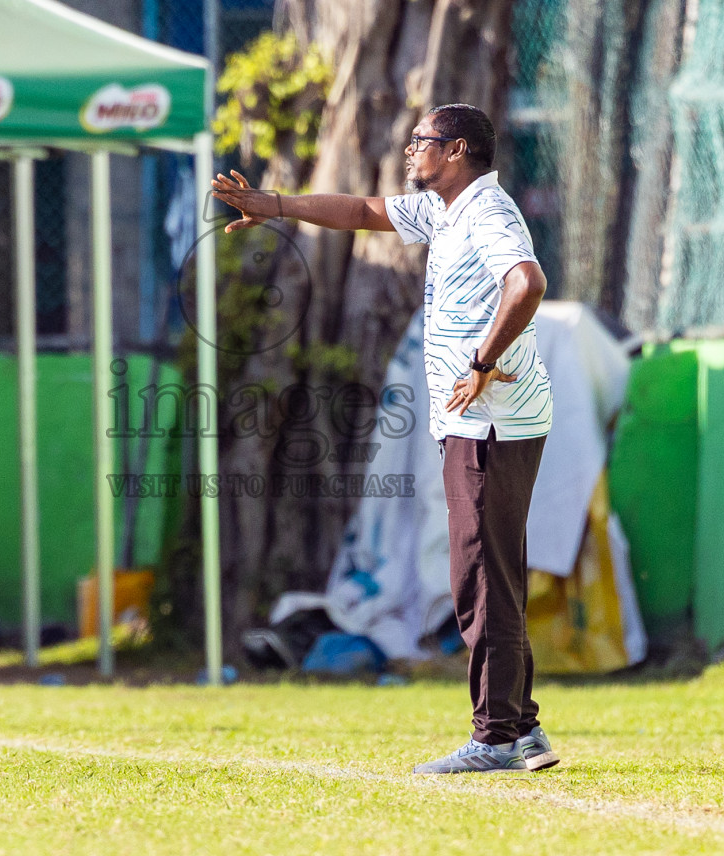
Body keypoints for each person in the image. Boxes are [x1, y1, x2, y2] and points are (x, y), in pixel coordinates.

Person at [212, 103, 558, 774]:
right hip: (485, 420)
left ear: (456, 151)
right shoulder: (444, 209)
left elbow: (528, 282)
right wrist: (274, 205)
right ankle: (520, 730)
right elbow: (364, 211)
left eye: (421, 140)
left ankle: (496, 738)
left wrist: (482, 362)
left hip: (489, 420)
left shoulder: (486, 211)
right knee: (491, 573)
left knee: (480, 577)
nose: (409, 150)